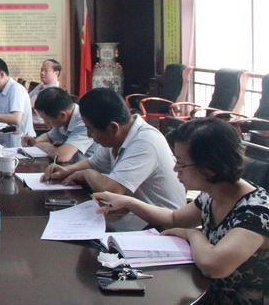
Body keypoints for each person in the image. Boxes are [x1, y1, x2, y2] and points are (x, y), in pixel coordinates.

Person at [94, 117, 269, 304]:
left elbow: (213, 265)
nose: (175, 169)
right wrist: (128, 202)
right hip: (205, 292)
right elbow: (174, 218)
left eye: (181, 163)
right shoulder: (213, 193)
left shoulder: (256, 212)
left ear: (210, 168)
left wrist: (192, 234)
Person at [44, 87, 186, 209]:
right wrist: (67, 170)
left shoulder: (145, 142)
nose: (88, 135)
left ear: (113, 128)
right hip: (133, 215)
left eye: (90, 129)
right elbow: (93, 163)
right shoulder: (118, 137)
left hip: (161, 224)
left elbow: (113, 190)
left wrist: (86, 174)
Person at [22, 87, 98, 163]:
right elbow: (48, 137)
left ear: (62, 115)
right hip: (72, 166)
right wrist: (35, 142)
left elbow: (61, 156)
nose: (45, 123)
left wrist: (45, 146)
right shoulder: (63, 119)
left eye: (47, 120)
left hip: (89, 168)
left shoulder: (84, 123)